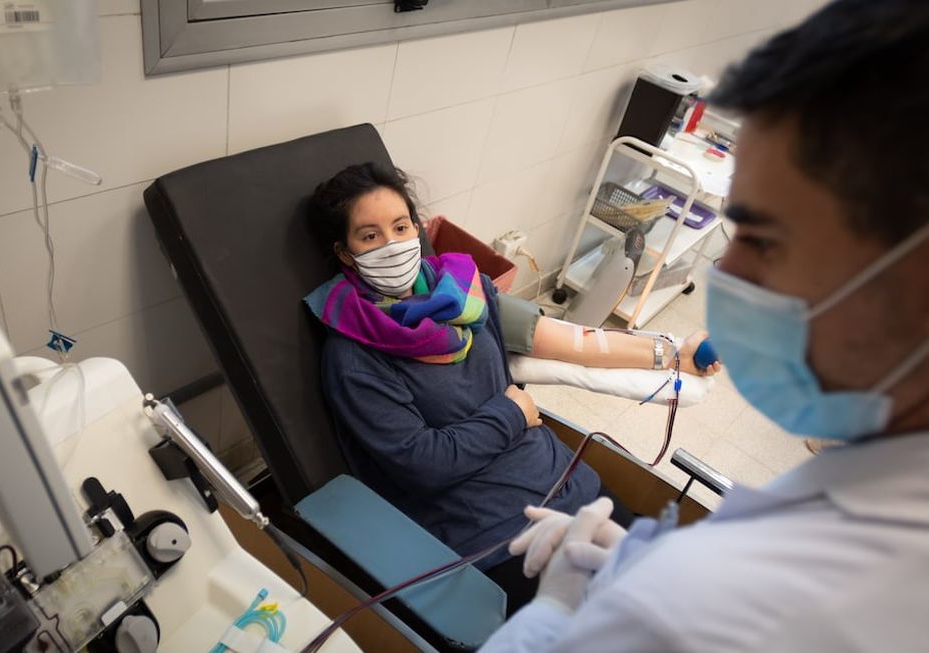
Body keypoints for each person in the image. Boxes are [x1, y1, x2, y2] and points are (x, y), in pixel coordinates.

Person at [479, 0, 929, 649]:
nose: (728, 271)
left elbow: (571, 341)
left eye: (764, 238)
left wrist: (560, 619)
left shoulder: (473, 292)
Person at [303, 162, 718, 611]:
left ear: (417, 228)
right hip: (497, 536)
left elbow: (576, 343)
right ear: (346, 253)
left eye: (400, 226)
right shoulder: (354, 357)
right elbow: (423, 463)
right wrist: (511, 414)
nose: (392, 245)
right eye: (370, 236)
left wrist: (672, 354)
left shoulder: (467, 293)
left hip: (572, 487)